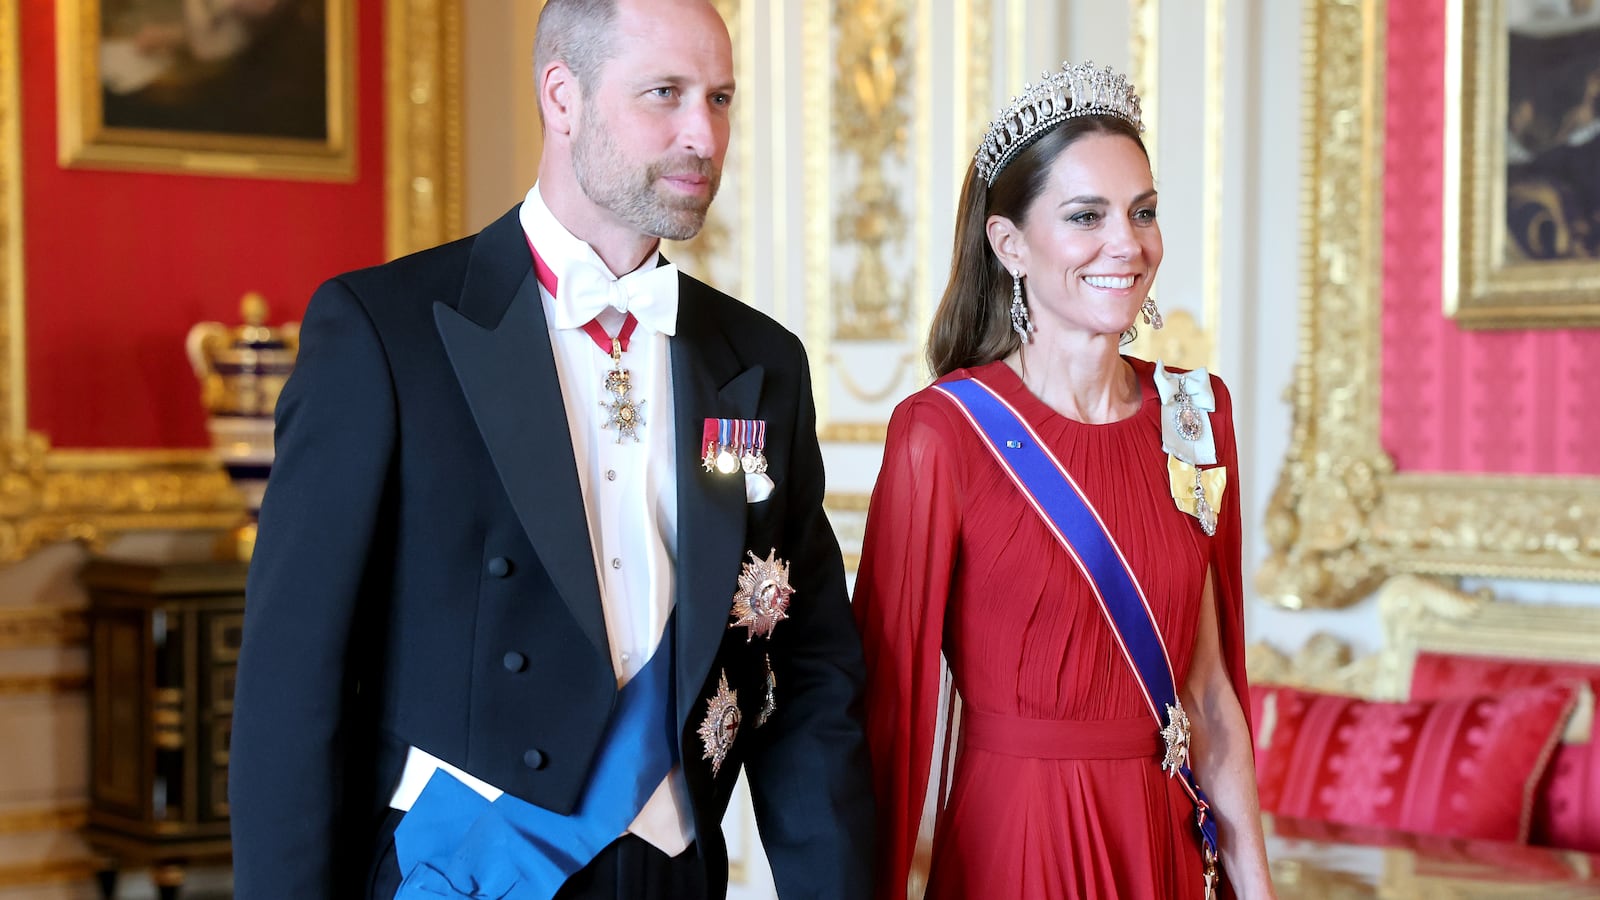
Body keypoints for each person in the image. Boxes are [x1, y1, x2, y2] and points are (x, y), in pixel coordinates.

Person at [227, 1, 875, 897]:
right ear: (561, 97)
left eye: (720, 98)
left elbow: (805, 676)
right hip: (459, 871)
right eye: (666, 93)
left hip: (671, 875)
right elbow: (290, 689)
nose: (704, 133)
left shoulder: (761, 362)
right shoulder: (384, 334)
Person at [852, 61, 1275, 899]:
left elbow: (1209, 688)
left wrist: (1257, 889)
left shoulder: (1196, 410)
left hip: (1162, 836)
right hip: (1018, 841)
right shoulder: (941, 432)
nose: (1129, 244)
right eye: (1087, 216)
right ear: (1010, 244)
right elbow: (889, 710)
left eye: (1143, 212)